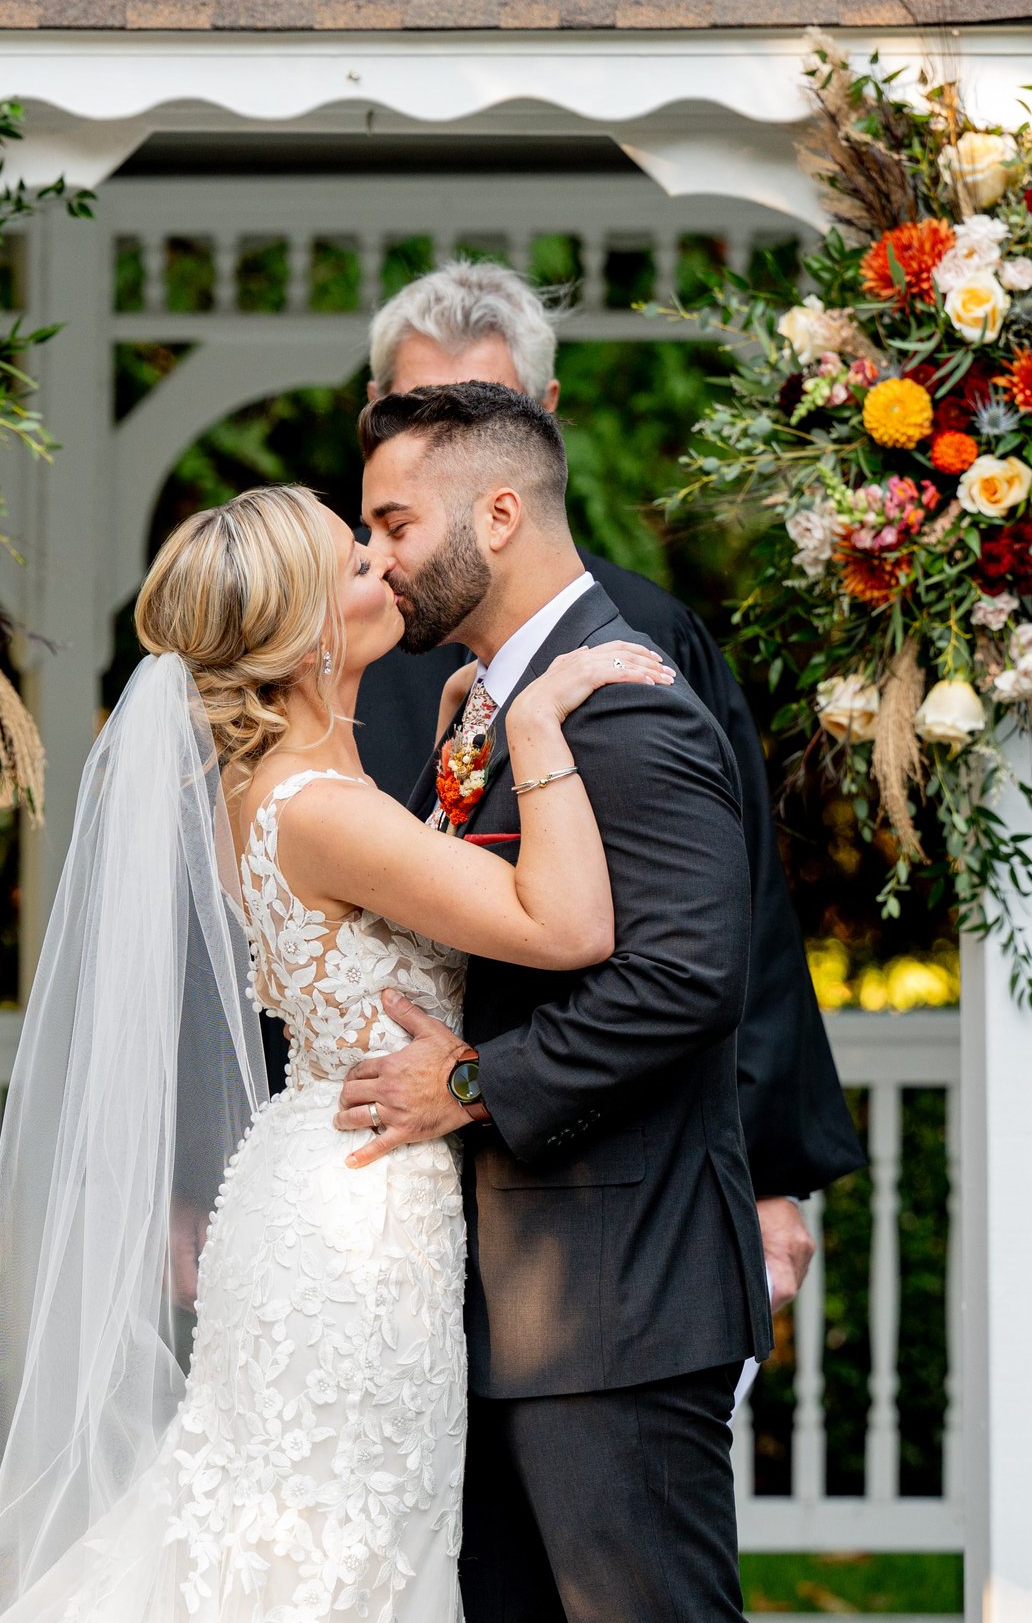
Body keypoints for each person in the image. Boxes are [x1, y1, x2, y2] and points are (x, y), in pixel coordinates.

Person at [0, 482, 674, 1621]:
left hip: (333, 1180)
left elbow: (406, 917)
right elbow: (568, 925)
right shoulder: (319, 807)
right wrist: (534, 726)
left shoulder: (296, 789)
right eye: (352, 562)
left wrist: (459, 754)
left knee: (317, 1533)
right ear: (298, 629)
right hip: (354, 1224)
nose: (385, 567)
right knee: (332, 1549)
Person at [340, 382, 771, 1622]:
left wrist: (474, 1082)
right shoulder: (487, 705)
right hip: (523, 1294)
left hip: (613, 1298)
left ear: (499, 511)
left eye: (396, 524)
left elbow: (688, 973)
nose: (377, 558)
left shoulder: (622, 702)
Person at [355, 260, 864, 1304]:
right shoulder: (335, 632)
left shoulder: (638, 649)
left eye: (483, 408)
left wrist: (768, 1174)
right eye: (418, 406)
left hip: (586, 1221)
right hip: (381, 1191)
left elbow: (725, 926)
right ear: (374, 413)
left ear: (538, 425)